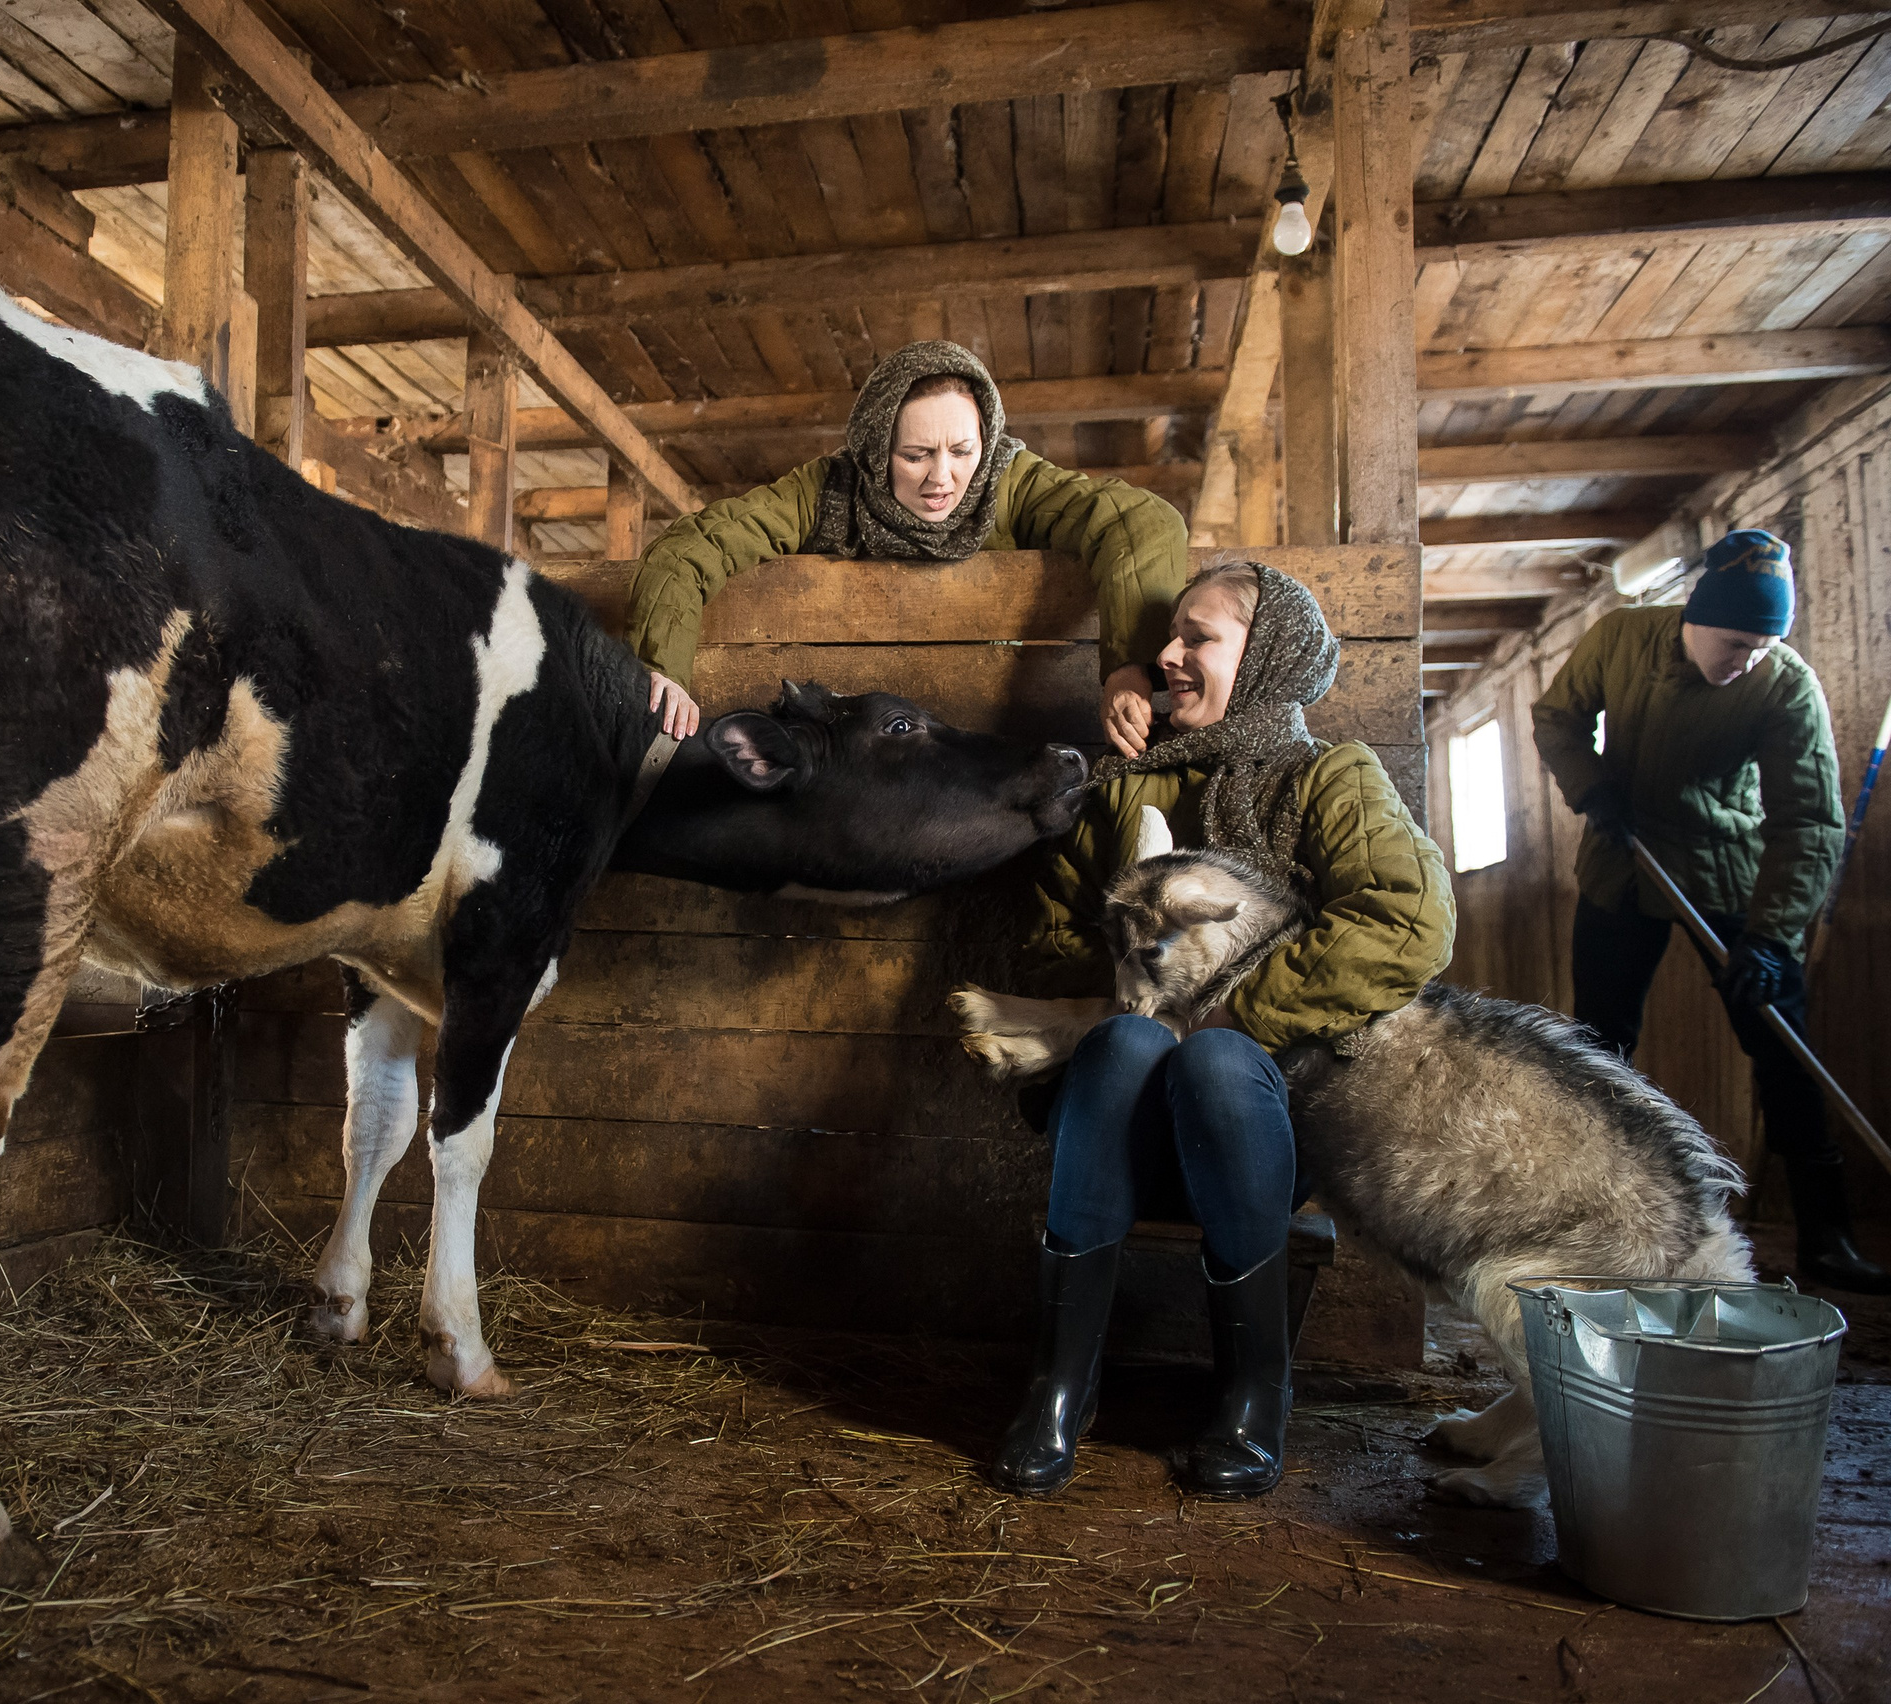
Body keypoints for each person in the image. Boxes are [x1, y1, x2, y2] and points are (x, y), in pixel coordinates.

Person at [998, 563, 1454, 1498]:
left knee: (1210, 1057)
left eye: (1197, 637)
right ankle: (1058, 1386)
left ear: (1269, 655)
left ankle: (1254, 1395)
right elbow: (1048, 942)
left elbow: (1405, 919)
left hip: (1262, 1119)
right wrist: (1138, 984)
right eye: (1171, 635)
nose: (1165, 655)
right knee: (1127, 1045)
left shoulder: (1328, 779)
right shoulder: (1121, 793)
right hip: (1119, 1118)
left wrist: (1230, 1011)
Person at [1531, 530, 1882, 1294]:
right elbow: (1557, 717)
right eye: (1734, 643)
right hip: (1622, 867)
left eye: (1762, 645)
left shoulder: (1783, 684)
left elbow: (1810, 820)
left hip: (1729, 877)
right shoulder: (1621, 638)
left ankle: (1827, 1238)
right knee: (1600, 1045)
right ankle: (1594, 1220)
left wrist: (1772, 935)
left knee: (1782, 1048)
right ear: (1694, 617)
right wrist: (1590, 786)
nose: (1746, 660)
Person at [622, 341, 1188, 754]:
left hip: (990, 739)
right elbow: (691, 546)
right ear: (875, 448)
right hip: (860, 749)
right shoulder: (827, 492)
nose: (942, 478)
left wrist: (1127, 667)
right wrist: (659, 667)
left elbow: (1141, 521)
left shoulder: (1008, 482)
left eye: (963, 451)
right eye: (915, 455)